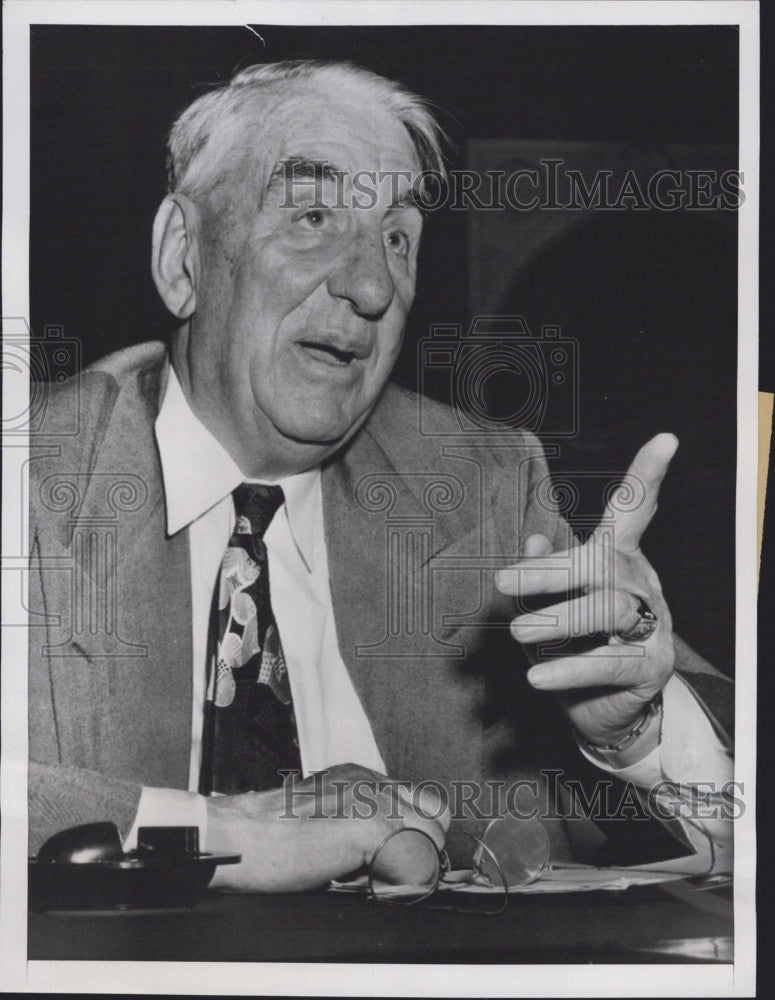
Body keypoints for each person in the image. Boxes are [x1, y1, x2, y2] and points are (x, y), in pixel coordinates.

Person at [28, 61, 733, 892]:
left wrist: (638, 733)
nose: (370, 286)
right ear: (184, 258)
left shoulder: (480, 489)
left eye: (396, 239)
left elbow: (732, 800)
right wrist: (219, 831)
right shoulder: (32, 471)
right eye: (313, 215)